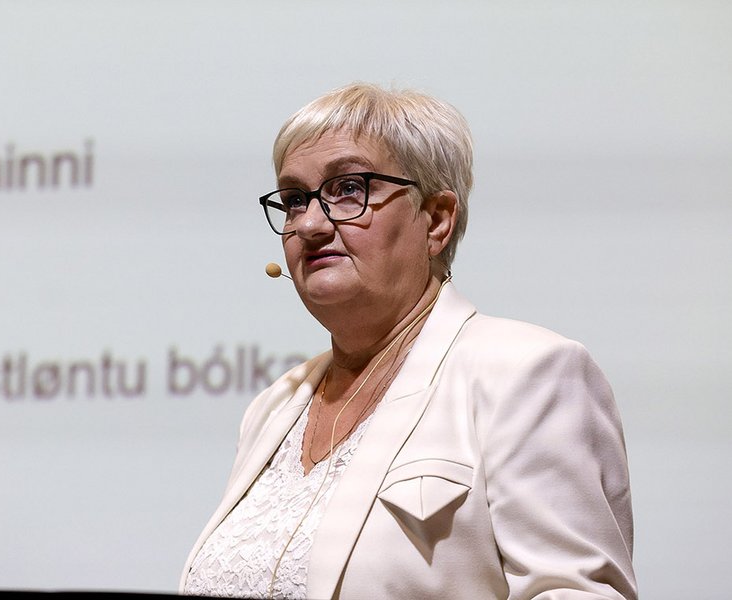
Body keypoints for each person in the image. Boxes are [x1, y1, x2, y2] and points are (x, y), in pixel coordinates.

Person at [180, 83, 636, 599]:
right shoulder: (274, 406)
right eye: (294, 200)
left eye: (348, 188)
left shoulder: (525, 372)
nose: (309, 224)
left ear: (436, 220)